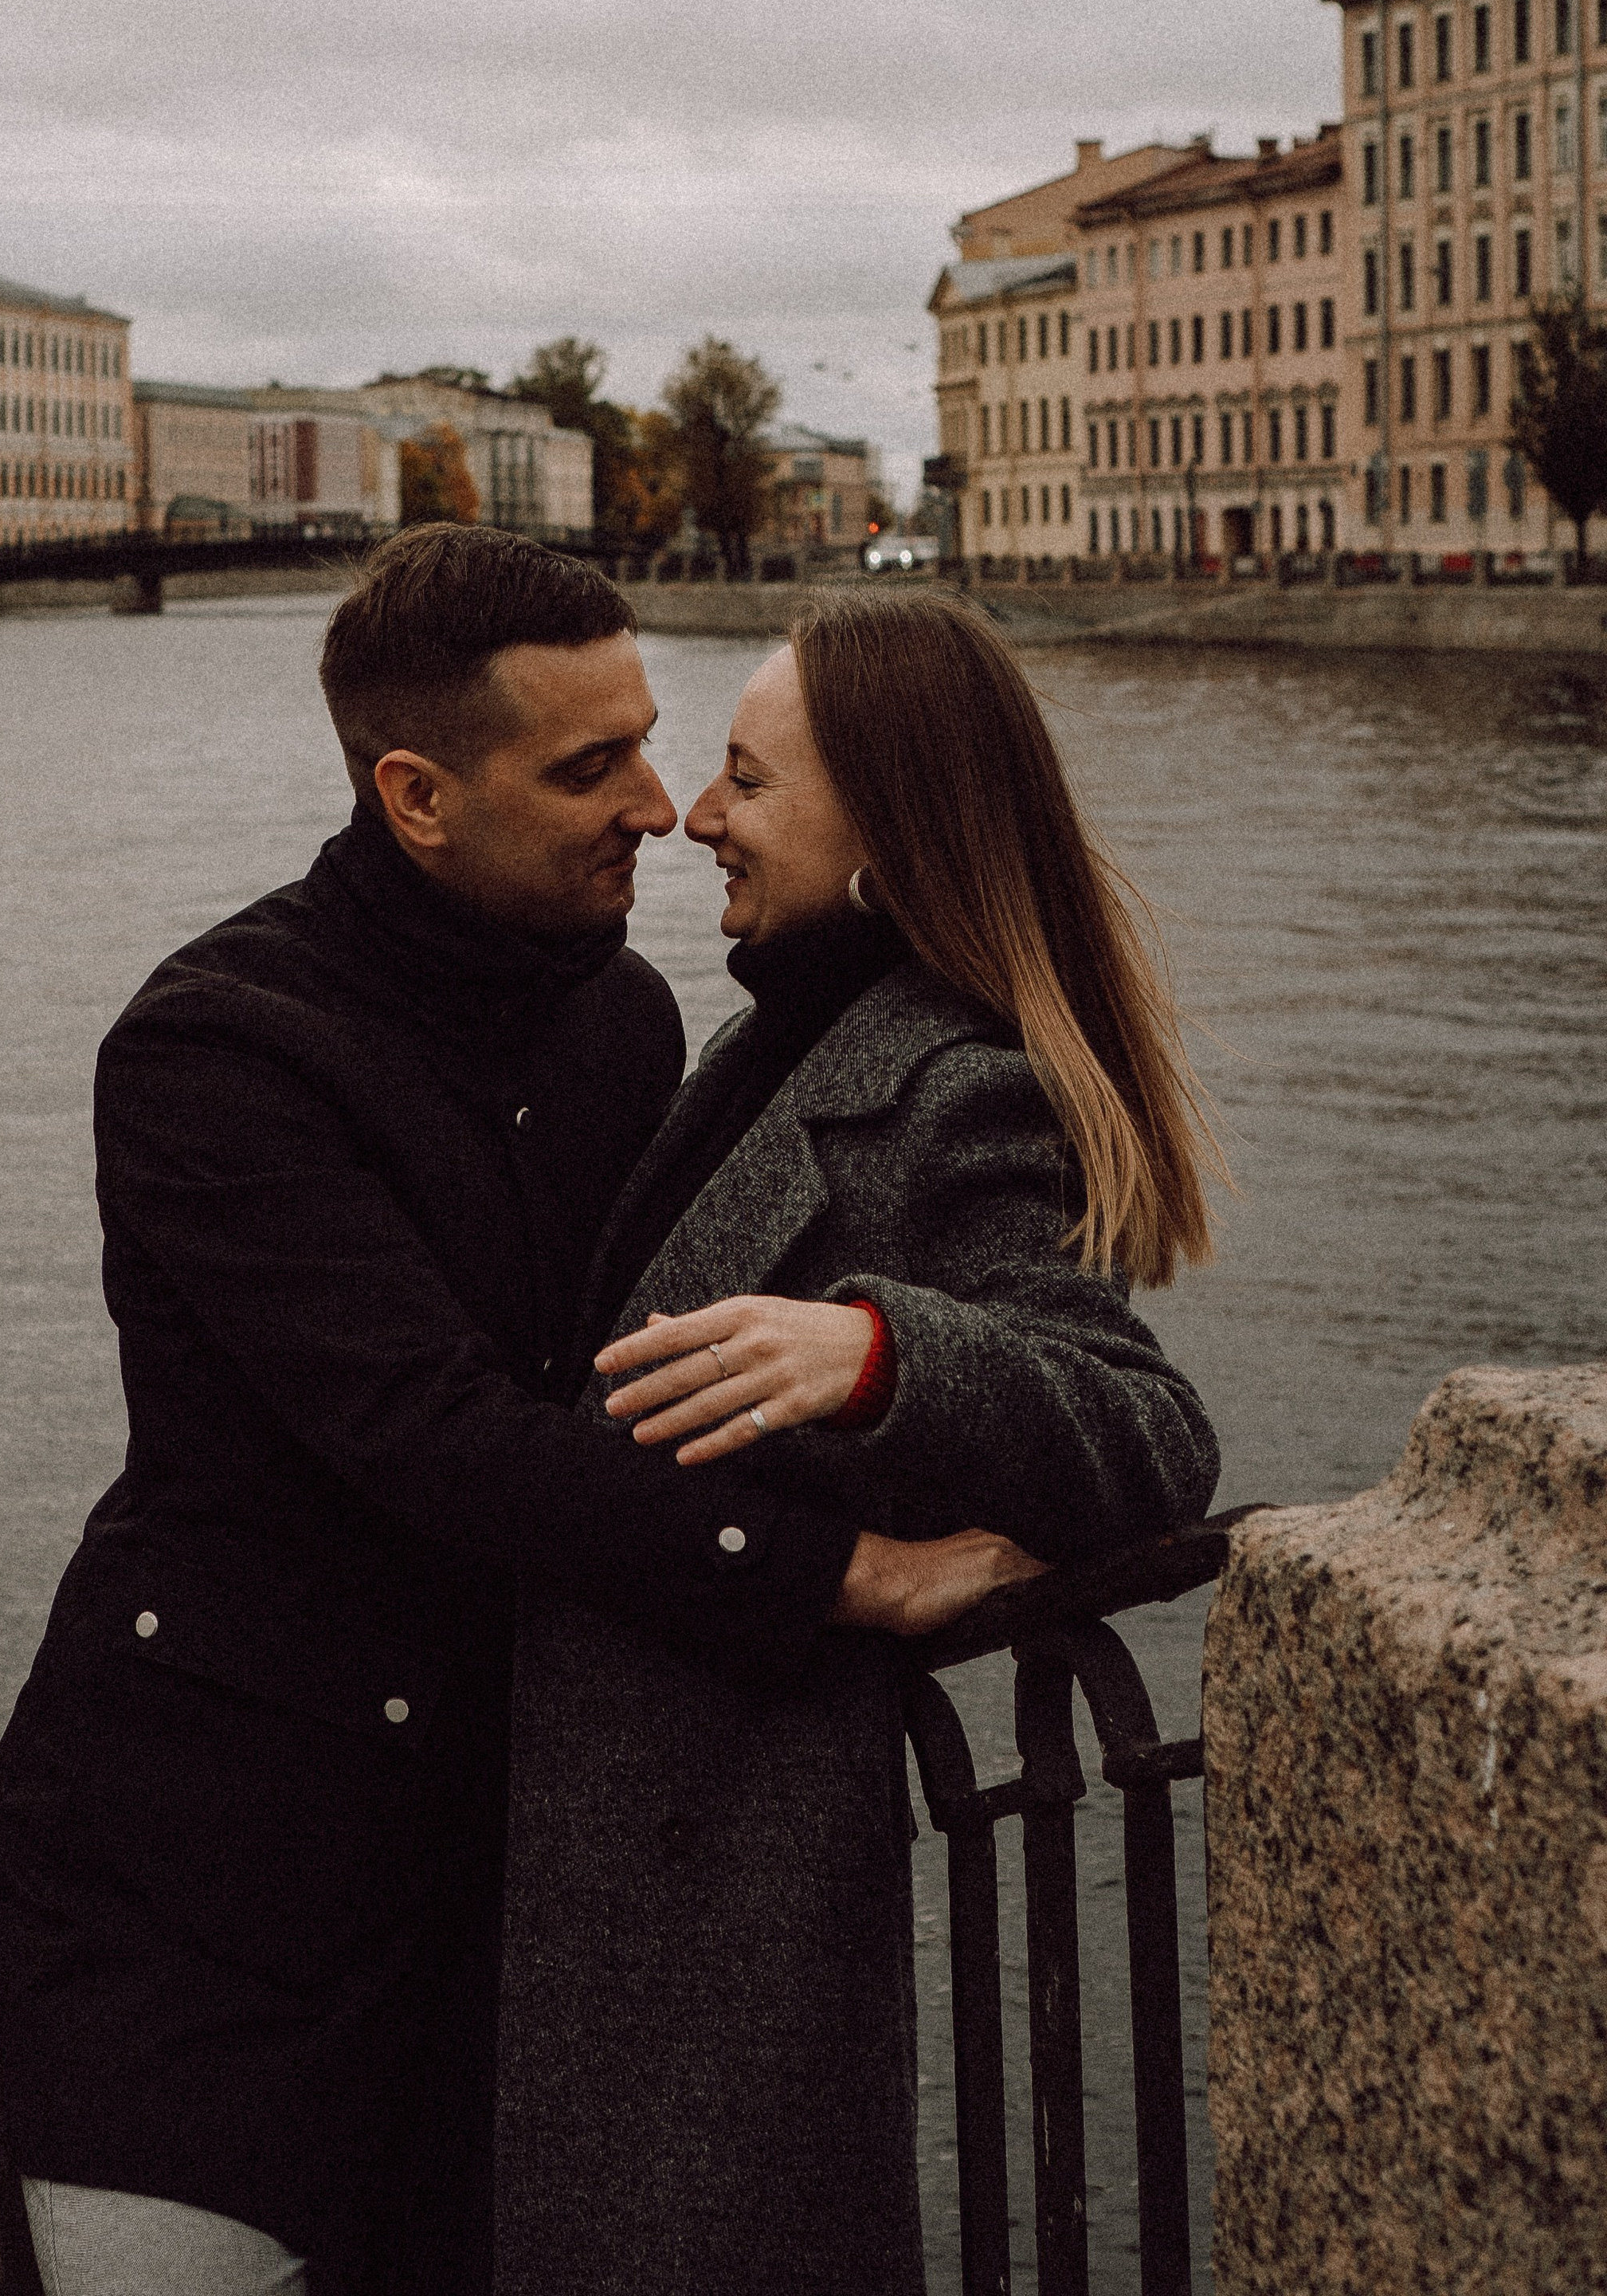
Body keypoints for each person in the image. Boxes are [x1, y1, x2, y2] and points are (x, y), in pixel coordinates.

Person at [0, 531, 1037, 2296]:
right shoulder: (215, 1048)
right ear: (414, 794)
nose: (657, 802)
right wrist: (839, 1575)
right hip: (207, 1895)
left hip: (502, 1880)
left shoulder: (619, 1017)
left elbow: (660, 1379)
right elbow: (434, 1433)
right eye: (586, 765)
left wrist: (908, 1368)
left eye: (649, 736)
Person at [492, 590, 1223, 2296]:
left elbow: (1149, 1438)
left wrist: (878, 1350)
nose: (697, 819)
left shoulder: (952, 1085)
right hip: (614, 1864)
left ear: (885, 839)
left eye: (745, 781)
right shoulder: (782, 1035)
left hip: (707, 1898)